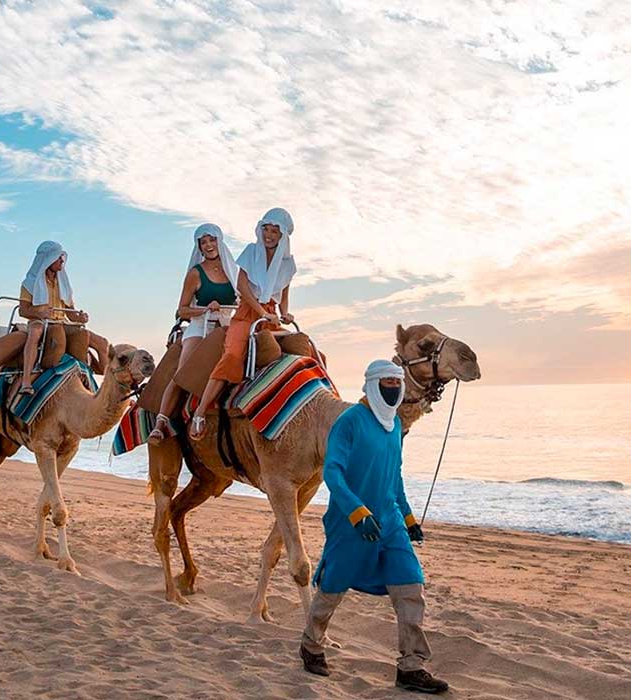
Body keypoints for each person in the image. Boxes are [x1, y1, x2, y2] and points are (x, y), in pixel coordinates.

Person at [299, 360, 449, 695]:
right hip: (350, 523)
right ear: (372, 384)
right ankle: (311, 645)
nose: (394, 388)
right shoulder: (349, 421)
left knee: (411, 587)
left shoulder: (395, 425)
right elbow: (332, 473)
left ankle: (412, 666)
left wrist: (408, 518)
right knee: (333, 587)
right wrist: (355, 512)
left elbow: (394, 475)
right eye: (388, 382)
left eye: (398, 383)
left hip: (390, 522)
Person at [188, 207, 296, 440]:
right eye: (265, 229)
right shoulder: (250, 252)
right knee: (232, 356)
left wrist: (285, 314)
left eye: (274, 231)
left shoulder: (288, 265)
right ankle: (200, 412)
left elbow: (283, 296)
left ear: (283, 235)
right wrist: (261, 312)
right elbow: (243, 287)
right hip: (247, 313)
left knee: (302, 347)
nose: (268, 235)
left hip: (271, 315)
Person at [148, 223, 239, 443]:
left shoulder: (233, 270)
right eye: (203, 242)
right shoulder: (195, 273)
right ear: (199, 246)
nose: (208, 245)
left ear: (220, 241)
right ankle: (160, 424)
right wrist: (206, 308)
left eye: (212, 240)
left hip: (227, 325)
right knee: (183, 372)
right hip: (200, 325)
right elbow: (182, 309)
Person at [17, 241, 110, 396]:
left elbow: (70, 312)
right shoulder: (30, 283)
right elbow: (23, 310)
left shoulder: (63, 283)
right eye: (58, 258)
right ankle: (26, 381)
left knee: (102, 343)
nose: (62, 261)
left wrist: (80, 318)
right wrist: (40, 313)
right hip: (40, 321)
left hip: (61, 322)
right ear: (48, 259)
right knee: (34, 334)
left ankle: (106, 387)